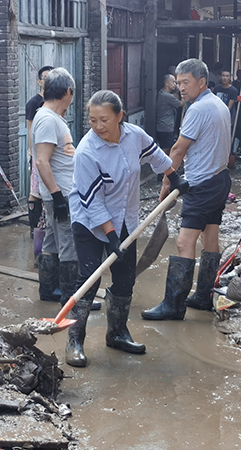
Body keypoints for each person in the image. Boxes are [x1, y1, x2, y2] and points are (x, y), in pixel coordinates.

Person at [66, 90, 185, 367]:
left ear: (120, 116)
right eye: (92, 120)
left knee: (124, 277)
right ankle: (74, 340)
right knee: (89, 278)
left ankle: (117, 332)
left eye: (104, 119)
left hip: (125, 218)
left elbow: (157, 156)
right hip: (89, 222)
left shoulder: (135, 136)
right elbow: (92, 203)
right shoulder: (87, 152)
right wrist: (109, 237)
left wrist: (174, 178)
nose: (98, 127)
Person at [141, 58, 232, 321]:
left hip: (202, 184)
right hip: (220, 179)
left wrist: (168, 180)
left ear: (201, 82)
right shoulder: (218, 104)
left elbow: (179, 149)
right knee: (210, 238)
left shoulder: (198, 109)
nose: (181, 87)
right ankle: (204, 296)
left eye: (185, 82)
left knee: (184, 242)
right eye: (178, 82)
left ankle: (173, 305)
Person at [32, 68, 101, 311]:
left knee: (51, 241)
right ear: (68, 92)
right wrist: (58, 196)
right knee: (69, 244)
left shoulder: (48, 117)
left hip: (56, 192)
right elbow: (41, 161)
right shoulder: (49, 120)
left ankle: (49, 289)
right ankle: (72, 299)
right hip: (60, 193)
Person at [26, 66, 54, 240]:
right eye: (45, 78)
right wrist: (34, 155)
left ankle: (47, 227)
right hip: (38, 154)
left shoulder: (56, 101)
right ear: (39, 82)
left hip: (51, 154)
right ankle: (34, 228)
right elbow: (30, 130)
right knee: (35, 191)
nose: (48, 81)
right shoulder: (33, 103)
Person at [213, 69, 239, 167]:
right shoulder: (217, 89)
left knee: (227, 138)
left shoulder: (233, 91)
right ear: (220, 77)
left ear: (230, 78)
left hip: (227, 118)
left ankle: (227, 158)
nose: (225, 78)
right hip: (215, 117)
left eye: (227, 76)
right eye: (223, 76)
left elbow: (229, 107)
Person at [156, 74, 185, 154]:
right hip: (166, 128)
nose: (175, 84)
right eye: (173, 82)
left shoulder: (161, 92)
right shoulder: (168, 97)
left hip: (162, 126)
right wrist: (183, 92)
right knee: (167, 150)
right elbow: (181, 103)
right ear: (166, 83)